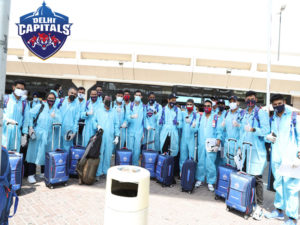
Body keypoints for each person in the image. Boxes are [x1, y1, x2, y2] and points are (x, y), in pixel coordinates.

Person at [264, 94, 300, 225]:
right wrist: (268, 137)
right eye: (275, 105)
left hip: (291, 159)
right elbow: (272, 134)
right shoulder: (273, 118)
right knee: (278, 185)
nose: (278, 106)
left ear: (284, 102)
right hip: (277, 157)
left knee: (291, 188)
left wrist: (299, 156)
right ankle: (279, 211)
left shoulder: (293, 116)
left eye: (280, 103)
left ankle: (292, 218)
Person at [238, 90, 270, 220]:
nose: (250, 100)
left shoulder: (260, 113)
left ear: (256, 99)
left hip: (256, 151)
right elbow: (242, 132)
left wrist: (253, 129)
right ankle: (248, 202)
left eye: (252, 98)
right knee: (246, 176)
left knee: (257, 179)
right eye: (247, 98)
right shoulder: (245, 113)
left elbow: (266, 131)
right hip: (245, 150)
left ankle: (260, 207)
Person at [26, 92, 61, 184]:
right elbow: (30, 115)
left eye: (53, 99)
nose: (51, 100)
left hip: (49, 135)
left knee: (46, 153)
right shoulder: (40, 106)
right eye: (49, 98)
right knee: (33, 153)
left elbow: (59, 125)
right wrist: (30, 127)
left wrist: (55, 118)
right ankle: (31, 174)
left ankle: (43, 172)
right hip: (38, 133)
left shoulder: (56, 110)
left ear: (55, 100)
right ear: (46, 98)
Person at [195, 100, 219, 192]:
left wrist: (218, 141)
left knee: (210, 163)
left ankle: (211, 181)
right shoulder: (200, 117)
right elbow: (196, 128)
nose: (207, 107)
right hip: (201, 142)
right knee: (201, 161)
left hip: (212, 142)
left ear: (212, 107)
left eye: (208, 106)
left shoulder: (215, 117)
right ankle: (200, 179)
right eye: (205, 106)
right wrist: (193, 126)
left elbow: (219, 130)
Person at [157, 93, 182, 176]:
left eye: (175, 100)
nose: (173, 101)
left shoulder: (178, 110)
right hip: (165, 133)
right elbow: (158, 123)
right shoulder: (163, 109)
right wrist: (160, 122)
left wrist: (177, 123)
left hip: (173, 133)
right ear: (168, 100)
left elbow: (181, 124)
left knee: (173, 154)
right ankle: (162, 173)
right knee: (163, 151)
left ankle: (170, 174)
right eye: (172, 100)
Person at [96, 96, 120, 179]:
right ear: (103, 101)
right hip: (100, 136)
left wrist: (117, 136)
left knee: (108, 155)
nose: (108, 101)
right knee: (100, 154)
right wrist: (97, 125)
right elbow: (94, 120)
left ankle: (106, 171)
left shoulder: (114, 112)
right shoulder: (99, 111)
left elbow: (117, 124)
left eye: (109, 100)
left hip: (110, 137)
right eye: (106, 100)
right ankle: (98, 173)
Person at [2, 80, 29, 152]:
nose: (20, 90)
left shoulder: (24, 102)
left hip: (17, 133)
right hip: (4, 131)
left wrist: (25, 135)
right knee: (3, 155)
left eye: (22, 89)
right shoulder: (6, 99)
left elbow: (26, 119)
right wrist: (6, 120)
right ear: (13, 87)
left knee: (15, 157)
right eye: (18, 88)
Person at [217, 96, 242, 166]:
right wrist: (222, 126)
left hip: (237, 144)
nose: (232, 103)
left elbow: (244, 130)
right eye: (230, 102)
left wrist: (239, 125)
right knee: (225, 164)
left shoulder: (242, 113)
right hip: (227, 144)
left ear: (238, 102)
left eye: (234, 101)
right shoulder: (226, 113)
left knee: (236, 166)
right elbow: (221, 128)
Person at [179, 99, 199, 173]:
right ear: (186, 105)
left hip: (192, 139)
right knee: (182, 157)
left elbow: (197, 128)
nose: (189, 106)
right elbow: (180, 125)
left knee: (192, 157)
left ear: (193, 105)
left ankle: (191, 173)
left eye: (191, 104)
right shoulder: (183, 114)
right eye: (188, 104)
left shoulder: (196, 115)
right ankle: (182, 173)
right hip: (184, 138)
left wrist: (193, 125)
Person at [127, 90, 146, 165]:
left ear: (141, 97)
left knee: (137, 150)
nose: (138, 96)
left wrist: (146, 127)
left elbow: (145, 119)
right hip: (131, 130)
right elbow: (126, 117)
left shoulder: (144, 107)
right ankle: (128, 165)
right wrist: (131, 116)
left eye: (139, 95)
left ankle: (135, 166)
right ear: (134, 96)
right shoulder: (130, 105)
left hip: (139, 131)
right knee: (130, 149)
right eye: (136, 95)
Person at [59, 87, 80, 152]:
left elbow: (76, 119)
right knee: (58, 147)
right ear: (68, 93)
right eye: (72, 93)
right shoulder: (61, 101)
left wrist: (74, 132)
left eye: (75, 94)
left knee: (67, 148)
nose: (73, 95)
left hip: (69, 129)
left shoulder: (76, 104)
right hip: (59, 128)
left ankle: (67, 162)